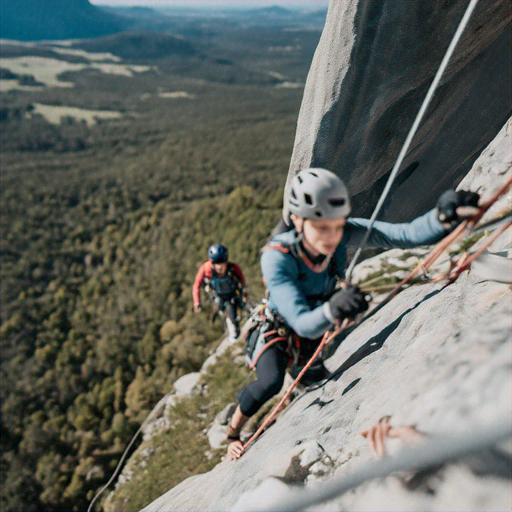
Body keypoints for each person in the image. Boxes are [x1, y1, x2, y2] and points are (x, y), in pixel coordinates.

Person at [226, 168, 480, 459]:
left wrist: (441, 217)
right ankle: (232, 431)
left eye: (338, 226)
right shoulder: (277, 258)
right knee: (270, 382)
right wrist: (334, 307)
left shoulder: (339, 228)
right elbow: (301, 322)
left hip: (314, 328)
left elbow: (403, 235)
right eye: (322, 228)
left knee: (313, 375)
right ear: (296, 220)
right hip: (280, 331)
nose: (333, 236)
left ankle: (304, 380)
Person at [193, 244, 247, 342]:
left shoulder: (233, 268)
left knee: (243, 308)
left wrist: (244, 291)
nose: (220, 267)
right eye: (217, 263)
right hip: (220, 297)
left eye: (222, 263)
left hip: (233, 293)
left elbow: (241, 279)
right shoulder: (206, 269)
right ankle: (233, 332)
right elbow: (196, 285)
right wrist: (197, 302)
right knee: (230, 316)